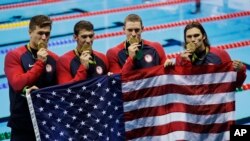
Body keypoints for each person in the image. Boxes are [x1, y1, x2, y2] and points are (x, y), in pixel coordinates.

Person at [4, 15, 59, 140]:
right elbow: (17, 84)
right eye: (40, 33)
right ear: (30, 32)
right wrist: (40, 63)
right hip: (22, 125)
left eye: (47, 33)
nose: (44, 37)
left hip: (47, 124)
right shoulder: (14, 56)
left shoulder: (55, 59)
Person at [175, 21, 246, 87]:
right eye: (189, 37)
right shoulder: (181, 59)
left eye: (196, 35)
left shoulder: (220, 55)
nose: (193, 39)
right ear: (185, 39)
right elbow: (182, 87)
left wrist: (240, 70)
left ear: (203, 36)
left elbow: (236, 84)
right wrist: (185, 63)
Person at [57, 20, 109, 84]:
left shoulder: (102, 58)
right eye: (84, 37)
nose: (88, 40)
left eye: (91, 36)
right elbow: (65, 90)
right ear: (75, 37)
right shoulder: (64, 61)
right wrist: (83, 68)